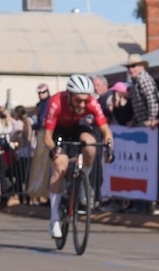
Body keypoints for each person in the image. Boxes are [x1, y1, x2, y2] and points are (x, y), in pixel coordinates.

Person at [43, 74, 114, 239]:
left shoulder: (92, 104)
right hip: (59, 130)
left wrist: (109, 148)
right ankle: (54, 218)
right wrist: (54, 149)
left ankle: (83, 182)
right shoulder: (56, 102)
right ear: (69, 95)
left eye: (86, 100)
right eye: (78, 101)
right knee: (61, 164)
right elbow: (47, 136)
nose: (83, 104)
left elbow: (106, 131)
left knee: (90, 144)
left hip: (77, 127)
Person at [124, 54, 159, 128]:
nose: (130, 69)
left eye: (133, 66)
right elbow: (139, 106)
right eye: (128, 67)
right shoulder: (135, 81)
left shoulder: (143, 79)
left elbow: (152, 100)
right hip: (143, 123)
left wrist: (151, 120)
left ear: (141, 66)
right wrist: (134, 120)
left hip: (150, 125)